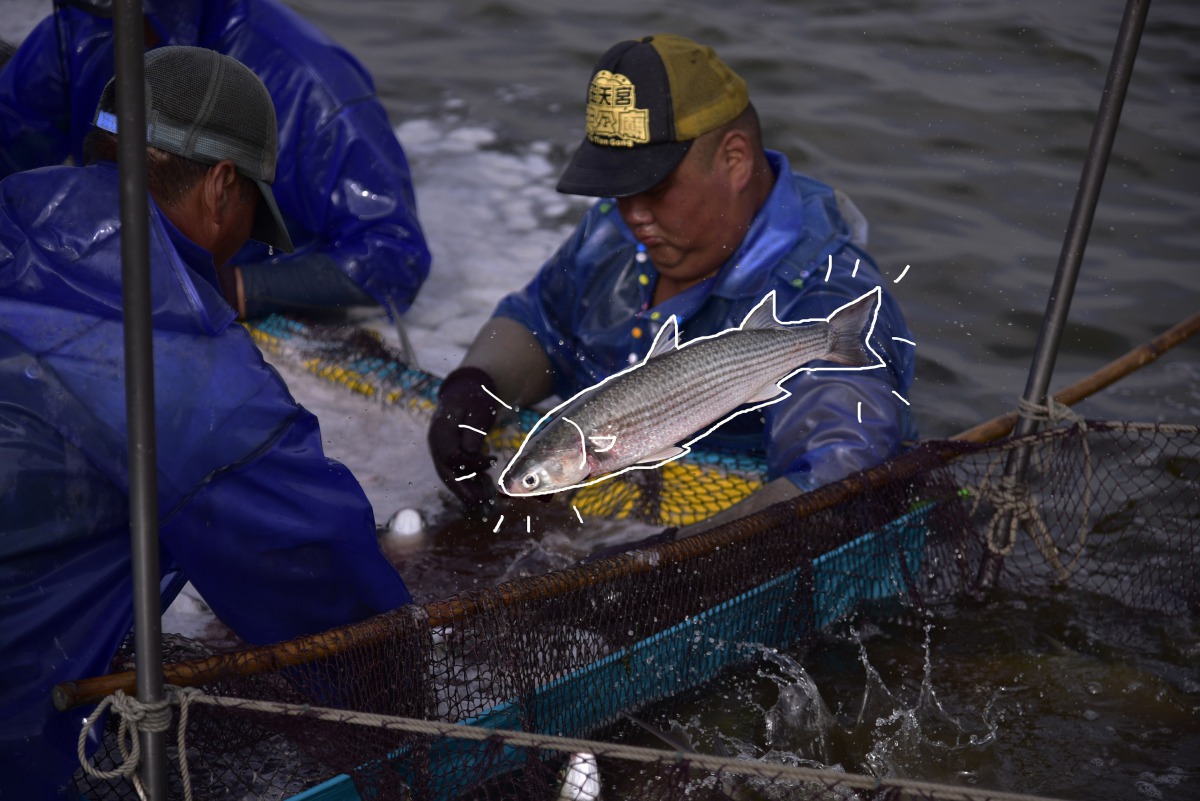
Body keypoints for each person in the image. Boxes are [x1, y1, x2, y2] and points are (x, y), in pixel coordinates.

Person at [0, 47, 413, 798]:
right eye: (255, 212)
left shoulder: (11, 213)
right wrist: (415, 710)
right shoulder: (183, 363)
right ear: (223, 187)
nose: (247, 239)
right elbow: (327, 578)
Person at [428, 33, 917, 529]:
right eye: (619, 190)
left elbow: (835, 476)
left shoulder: (826, 291)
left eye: (654, 187)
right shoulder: (613, 230)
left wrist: (674, 562)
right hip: (605, 517)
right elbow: (540, 321)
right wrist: (473, 388)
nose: (633, 215)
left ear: (735, 160)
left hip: (741, 557)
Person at [0, 0, 431, 321]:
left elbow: (394, 253)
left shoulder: (310, 85)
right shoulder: (78, 30)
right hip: (117, 275)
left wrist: (236, 289)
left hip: (249, 305)